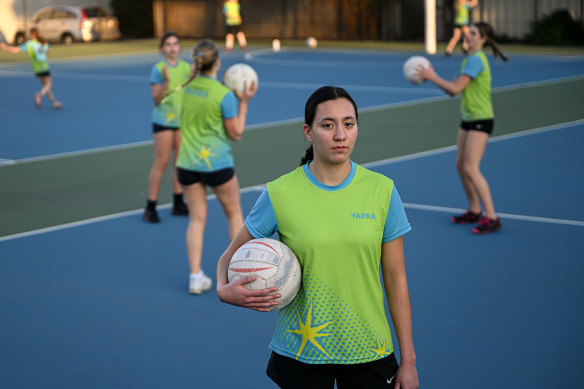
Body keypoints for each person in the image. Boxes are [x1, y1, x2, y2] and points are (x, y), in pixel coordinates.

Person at [216, 86, 419, 388]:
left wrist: (409, 361)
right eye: (328, 125)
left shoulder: (383, 190)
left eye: (349, 124)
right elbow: (230, 256)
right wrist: (223, 290)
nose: (340, 135)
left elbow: (395, 278)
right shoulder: (281, 193)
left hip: (368, 345)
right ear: (308, 132)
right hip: (302, 348)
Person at [177, 39, 256, 294]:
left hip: (187, 163)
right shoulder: (224, 95)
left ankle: (195, 277)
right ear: (218, 63)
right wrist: (243, 103)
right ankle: (239, 272)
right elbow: (236, 133)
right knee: (234, 215)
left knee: (196, 221)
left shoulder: (185, 88)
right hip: (217, 164)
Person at [419, 21, 508, 234]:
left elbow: (456, 88)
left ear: (484, 39)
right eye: (469, 33)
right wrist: (433, 78)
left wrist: (432, 76)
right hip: (468, 118)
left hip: (481, 118)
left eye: (474, 33)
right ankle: (474, 210)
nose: (468, 36)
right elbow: (452, 91)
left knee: (471, 167)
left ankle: (492, 217)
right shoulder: (469, 60)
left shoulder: (477, 60)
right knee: (461, 165)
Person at [143, 31, 191, 223]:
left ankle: (178, 203)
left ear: (179, 47)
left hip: (181, 121)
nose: (172, 47)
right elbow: (156, 99)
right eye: (168, 44)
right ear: (162, 48)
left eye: (175, 43)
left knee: (179, 163)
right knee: (161, 162)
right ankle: (150, 206)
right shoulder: (159, 69)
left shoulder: (187, 68)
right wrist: (167, 83)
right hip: (163, 121)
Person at [0, 28, 62, 109]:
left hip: (36, 68)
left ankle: (54, 101)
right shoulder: (43, 42)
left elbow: (16, 50)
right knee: (49, 85)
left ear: (31, 35)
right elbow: (47, 51)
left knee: (45, 86)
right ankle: (39, 95)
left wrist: (5, 47)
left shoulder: (29, 44)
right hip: (44, 66)